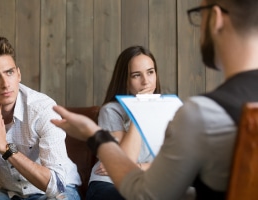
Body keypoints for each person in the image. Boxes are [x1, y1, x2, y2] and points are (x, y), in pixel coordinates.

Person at [51, 0, 258, 199]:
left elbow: (145, 195)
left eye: (199, 15)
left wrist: (93, 134)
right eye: (136, 75)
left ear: (216, 17)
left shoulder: (202, 113)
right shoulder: (199, 114)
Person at [0, 37, 81, 200]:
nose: (5, 84)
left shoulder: (43, 108)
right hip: (9, 193)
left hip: (54, 193)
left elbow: (55, 185)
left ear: (18, 74)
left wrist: (6, 149)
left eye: (9, 72)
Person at [86, 46, 160, 200]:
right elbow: (124, 163)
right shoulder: (111, 110)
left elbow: (173, 164)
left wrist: (140, 168)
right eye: (136, 75)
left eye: (150, 72)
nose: (146, 81)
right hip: (109, 184)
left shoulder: (167, 109)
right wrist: (138, 111)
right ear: (125, 81)